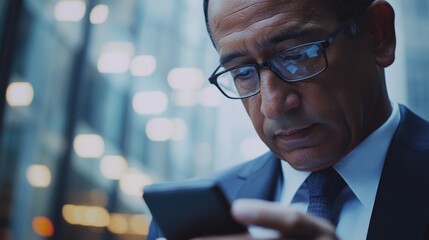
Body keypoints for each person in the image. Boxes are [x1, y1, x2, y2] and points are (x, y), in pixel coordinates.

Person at [148, 0, 429, 239]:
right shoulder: (186, 223)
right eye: (243, 73)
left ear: (377, 34)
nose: (273, 106)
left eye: (298, 56)